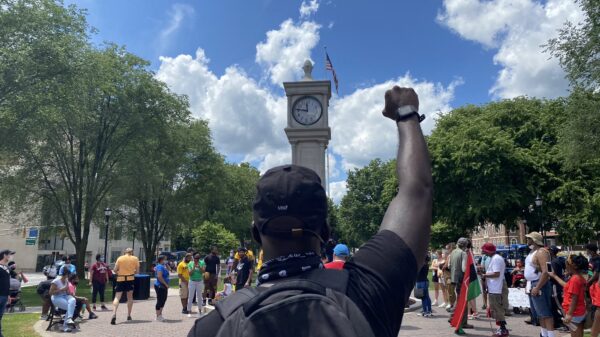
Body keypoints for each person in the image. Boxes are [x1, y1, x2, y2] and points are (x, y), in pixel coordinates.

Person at [188, 86, 432, 337]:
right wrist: (406, 113)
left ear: (256, 234)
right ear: (325, 232)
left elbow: (417, 193)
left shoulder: (212, 326)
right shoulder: (366, 290)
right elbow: (416, 192)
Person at [548, 255, 589, 337]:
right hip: (579, 311)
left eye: (566, 265)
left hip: (574, 313)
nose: (565, 267)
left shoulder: (574, 279)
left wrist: (569, 314)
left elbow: (574, 298)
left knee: (575, 335)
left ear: (572, 266)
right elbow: (567, 286)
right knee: (579, 333)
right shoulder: (579, 278)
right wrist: (554, 276)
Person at [525, 231, 555, 337]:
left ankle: (550, 335)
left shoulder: (541, 252)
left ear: (534, 240)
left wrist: (537, 287)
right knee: (540, 314)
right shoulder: (533, 251)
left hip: (539, 285)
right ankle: (544, 334)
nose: (527, 240)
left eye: (529, 238)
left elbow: (546, 271)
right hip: (532, 284)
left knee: (545, 313)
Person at [480, 242, 509, 337]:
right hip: (494, 287)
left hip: (496, 288)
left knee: (498, 309)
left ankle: (503, 330)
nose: (483, 252)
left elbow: (496, 274)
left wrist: (484, 275)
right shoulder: (494, 258)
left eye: (484, 250)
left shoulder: (496, 259)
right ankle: (501, 328)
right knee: (496, 309)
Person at [111, 248, 139, 325]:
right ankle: (129, 315)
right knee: (130, 297)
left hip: (120, 279)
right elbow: (137, 271)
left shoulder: (120, 258)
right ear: (132, 252)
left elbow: (114, 270)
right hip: (130, 279)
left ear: (125, 252)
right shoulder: (135, 258)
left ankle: (114, 313)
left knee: (117, 297)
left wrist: (119, 272)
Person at [49, 268, 77, 332]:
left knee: (73, 300)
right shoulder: (56, 281)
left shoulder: (66, 280)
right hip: (56, 298)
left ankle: (69, 318)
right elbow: (50, 293)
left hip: (64, 296)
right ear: (65, 274)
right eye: (68, 275)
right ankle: (65, 326)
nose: (69, 276)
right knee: (69, 307)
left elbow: (66, 291)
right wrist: (62, 289)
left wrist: (70, 292)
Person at [0, 249, 15, 337]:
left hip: (4, 296)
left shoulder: (6, 268)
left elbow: (7, 283)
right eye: (9, 254)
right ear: (4, 255)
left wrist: (8, 295)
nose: (10, 256)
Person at [154, 255, 170, 322]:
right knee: (160, 300)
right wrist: (165, 284)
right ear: (161, 260)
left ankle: (160, 314)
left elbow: (169, 270)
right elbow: (159, 277)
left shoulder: (163, 266)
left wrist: (166, 264)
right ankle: (158, 316)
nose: (166, 260)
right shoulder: (160, 266)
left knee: (163, 299)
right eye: (165, 259)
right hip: (160, 286)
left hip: (163, 286)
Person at [444, 242, 456, 310]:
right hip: (448, 275)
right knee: (450, 291)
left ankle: (452, 304)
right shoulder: (449, 255)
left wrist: (443, 267)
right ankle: (452, 304)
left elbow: (447, 266)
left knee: (451, 291)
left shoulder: (452, 255)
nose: (447, 250)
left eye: (448, 248)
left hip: (450, 275)